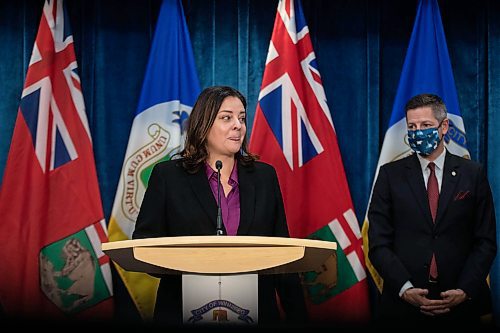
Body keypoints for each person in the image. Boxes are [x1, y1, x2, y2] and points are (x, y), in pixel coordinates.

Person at [132, 86, 308, 326]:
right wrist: (192, 269)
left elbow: (282, 255)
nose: (238, 125)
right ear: (203, 125)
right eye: (227, 117)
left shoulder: (264, 176)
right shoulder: (169, 176)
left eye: (242, 118)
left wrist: (298, 316)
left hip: (256, 313)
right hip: (184, 310)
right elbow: (145, 242)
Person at [368, 93, 497, 328]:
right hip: (404, 307)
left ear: (444, 126)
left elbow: (485, 241)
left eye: (426, 125)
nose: (418, 132)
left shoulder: (472, 174)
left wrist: (464, 289)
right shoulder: (390, 175)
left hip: (462, 303)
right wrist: (405, 289)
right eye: (412, 126)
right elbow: (378, 244)